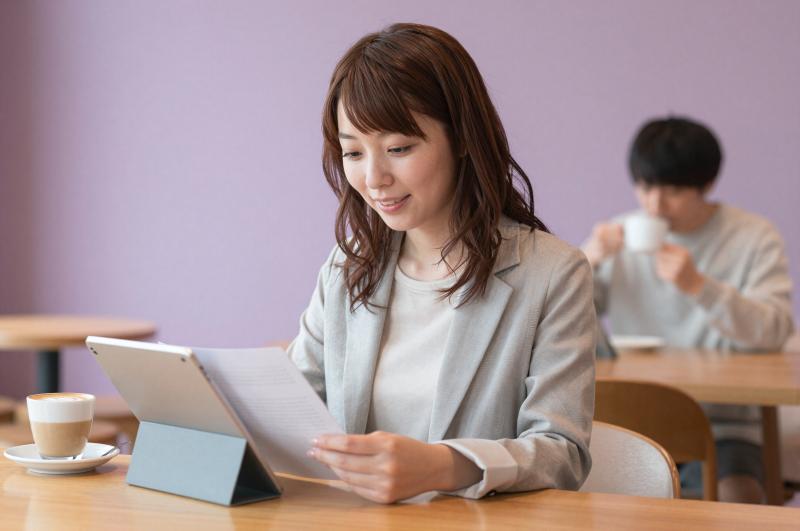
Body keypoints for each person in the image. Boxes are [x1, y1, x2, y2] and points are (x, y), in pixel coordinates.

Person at [287, 23, 596, 504]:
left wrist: (443, 466)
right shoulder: (347, 269)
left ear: (463, 138)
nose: (373, 179)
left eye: (398, 148)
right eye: (352, 152)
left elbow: (562, 452)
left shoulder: (553, 272)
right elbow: (290, 409)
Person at [583, 116, 795, 503]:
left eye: (673, 190)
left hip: (726, 422)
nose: (654, 204)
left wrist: (699, 286)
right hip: (637, 415)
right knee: (591, 497)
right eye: (645, 187)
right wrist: (586, 262)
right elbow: (564, 319)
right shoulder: (618, 234)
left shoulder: (753, 236)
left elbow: (775, 330)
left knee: (739, 499)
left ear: (708, 185)